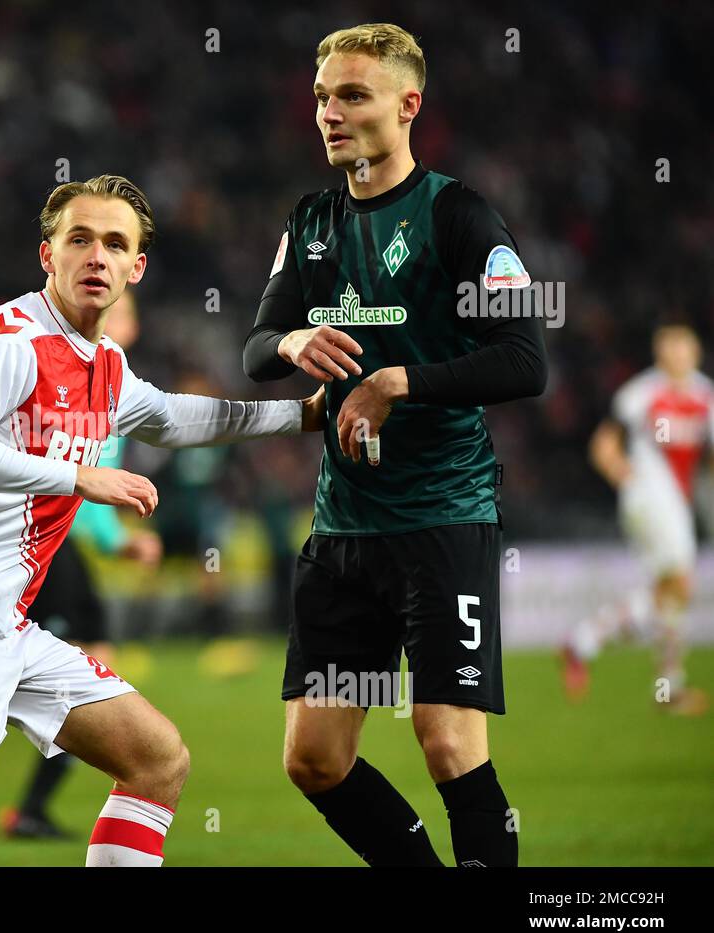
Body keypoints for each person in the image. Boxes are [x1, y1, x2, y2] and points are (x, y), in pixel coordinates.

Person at [0, 174, 325, 867]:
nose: (95, 256)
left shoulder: (105, 363)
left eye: (114, 243)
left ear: (137, 267)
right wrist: (76, 476)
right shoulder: (8, 336)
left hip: (0, 616)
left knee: (156, 759)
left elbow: (168, 417)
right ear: (48, 255)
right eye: (79, 239)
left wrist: (298, 415)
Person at [244, 23, 547, 867]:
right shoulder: (310, 223)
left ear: (408, 105)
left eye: (352, 95)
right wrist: (293, 344)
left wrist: (396, 381)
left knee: (446, 740)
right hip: (344, 532)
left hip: (442, 520)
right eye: (321, 97)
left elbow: (525, 360)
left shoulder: (460, 216)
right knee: (314, 758)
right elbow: (256, 345)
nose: (329, 113)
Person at [0, 290, 163, 840]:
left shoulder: (110, 381)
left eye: (125, 311)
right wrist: (119, 543)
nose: (120, 319)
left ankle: (31, 807)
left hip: (55, 543)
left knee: (89, 665)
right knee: (73, 674)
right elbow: (78, 483)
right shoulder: (84, 380)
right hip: (50, 546)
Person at [564, 323, 712, 715]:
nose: (677, 354)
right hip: (650, 496)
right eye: (670, 346)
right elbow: (602, 447)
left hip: (677, 504)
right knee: (678, 585)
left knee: (671, 594)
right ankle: (663, 681)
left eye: (684, 346)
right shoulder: (642, 394)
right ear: (659, 351)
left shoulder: (705, 396)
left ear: (695, 352)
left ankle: (593, 645)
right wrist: (629, 480)